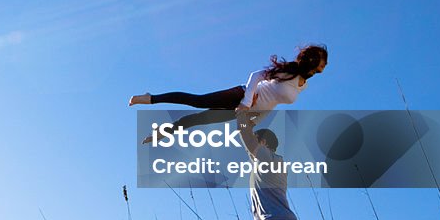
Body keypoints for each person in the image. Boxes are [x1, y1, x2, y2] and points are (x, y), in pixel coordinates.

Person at [129, 45, 327, 141]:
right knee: (198, 101)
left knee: (198, 120)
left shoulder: (303, 85)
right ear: (312, 60)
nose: (324, 65)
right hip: (241, 97)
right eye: (322, 60)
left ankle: (162, 132)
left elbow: (273, 103)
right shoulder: (289, 71)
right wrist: (247, 100)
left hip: (244, 112)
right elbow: (256, 75)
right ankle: (150, 98)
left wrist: (253, 122)